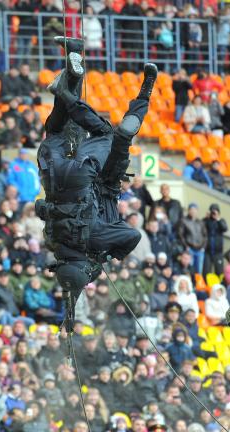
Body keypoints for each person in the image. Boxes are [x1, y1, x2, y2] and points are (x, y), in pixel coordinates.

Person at [35, 37, 157, 323]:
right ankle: (70, 77)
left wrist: (105, 257)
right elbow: (41, 208)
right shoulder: (54, 241)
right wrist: (69, 313)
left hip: (98, 179)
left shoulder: (95, 240)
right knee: (54, 131)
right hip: (54, 177)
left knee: (111, 135)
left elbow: (132, 237)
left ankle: (143, 92)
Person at [178, 203, 207, 275]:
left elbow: (205, 235)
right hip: (190, 249)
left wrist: (203, 247)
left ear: (197, 211)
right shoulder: (184, 221)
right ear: (188, 210)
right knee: (190, 269)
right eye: (191, 209)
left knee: (199, 270)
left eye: (195, 210)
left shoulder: (201, 222)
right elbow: (180, 235)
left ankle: (197, 285)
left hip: (200, 250)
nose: (193, 211)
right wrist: (186, 246)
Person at [203, 203, 228, 276]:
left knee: (219, 272)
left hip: (218, 252)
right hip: (207, 251)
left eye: (215, 211)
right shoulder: (206, 221)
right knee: (206, 271)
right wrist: (206, 218)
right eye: (212, 211)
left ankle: (219, 286)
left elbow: (225, 228)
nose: (213, 213)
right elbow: (201, 227)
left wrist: (218, 219)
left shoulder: (221, 220)